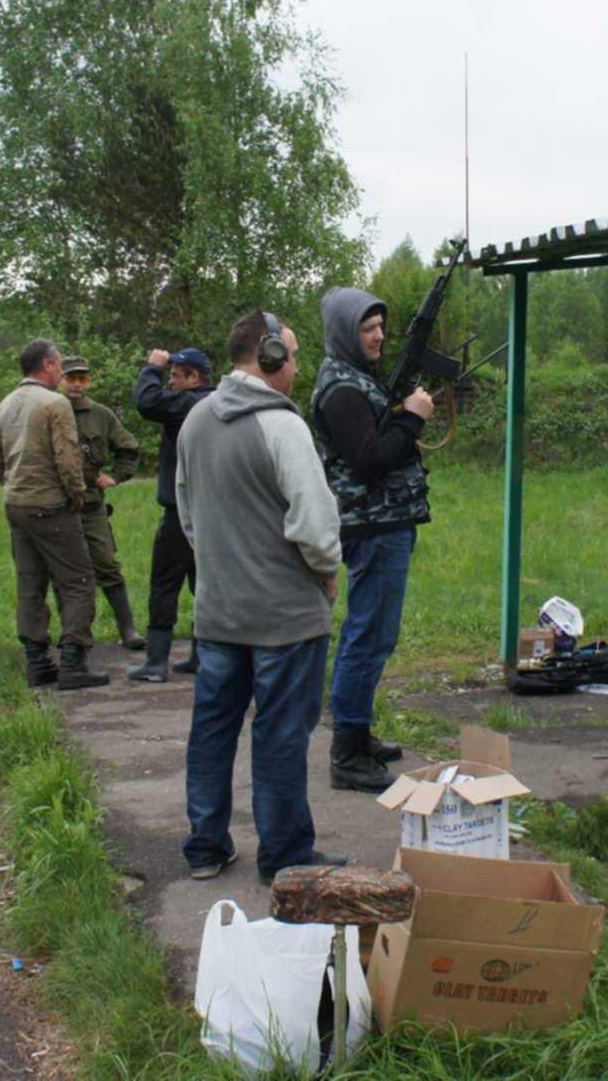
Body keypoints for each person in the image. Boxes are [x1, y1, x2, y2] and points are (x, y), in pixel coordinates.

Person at [177, 311, 346, 884]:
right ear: (270, 356)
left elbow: (188, 515)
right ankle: (283, 853)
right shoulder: (283, 426)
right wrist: (326, 573)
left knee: (212, 728)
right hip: (284, 617)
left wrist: (220, 567)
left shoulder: (195, 420)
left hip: (219, 611)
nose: (297, 366)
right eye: (294, 355)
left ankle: (205, 845)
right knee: (279, 734)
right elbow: (316, 524)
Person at [310, 287, 434, 793]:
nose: (378, 335)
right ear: (345, 333)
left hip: (384, 523)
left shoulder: (356, 379)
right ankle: (347, 753)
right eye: (367, 328)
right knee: (368, 636)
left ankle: (357, 735)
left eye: (381, 325)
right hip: (372, 526)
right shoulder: (341, 390)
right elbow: (368, 459)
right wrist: (412, 417)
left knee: (374, 635)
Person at [0, 339, 107, 691]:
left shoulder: (4, 405)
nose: (60, 372)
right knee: (78, 581)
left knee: (30, 582)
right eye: (57, 365)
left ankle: (37, 662)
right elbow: (69, 460)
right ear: (48, 365)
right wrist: (76, 497)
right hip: (50, 504)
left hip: (16, 504)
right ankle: (73, 661)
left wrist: (14, 483)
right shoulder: (56, 404)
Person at [129, 346, 214, 681]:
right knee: (203, 584)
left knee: (164, 583)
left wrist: (152, 368)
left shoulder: (189, 404)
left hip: (181, 512)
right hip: (209, 511)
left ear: (195, 378)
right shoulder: (217, 401)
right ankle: (200, 655)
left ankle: (155, 663)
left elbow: (147, 402)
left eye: (177, 377)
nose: (172, 383)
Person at [58, 354, 145, 651]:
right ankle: (74, 636)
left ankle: (128, 629)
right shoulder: (49, 410)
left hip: (92, 506)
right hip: (57, 507)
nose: (77, 384)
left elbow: (129, 449)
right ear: (59, 379)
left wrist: (116, 476)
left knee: (107, 565)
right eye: (71, 378)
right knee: (65, 573)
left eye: (82, 378)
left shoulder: (101, 415)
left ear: (89, 381)